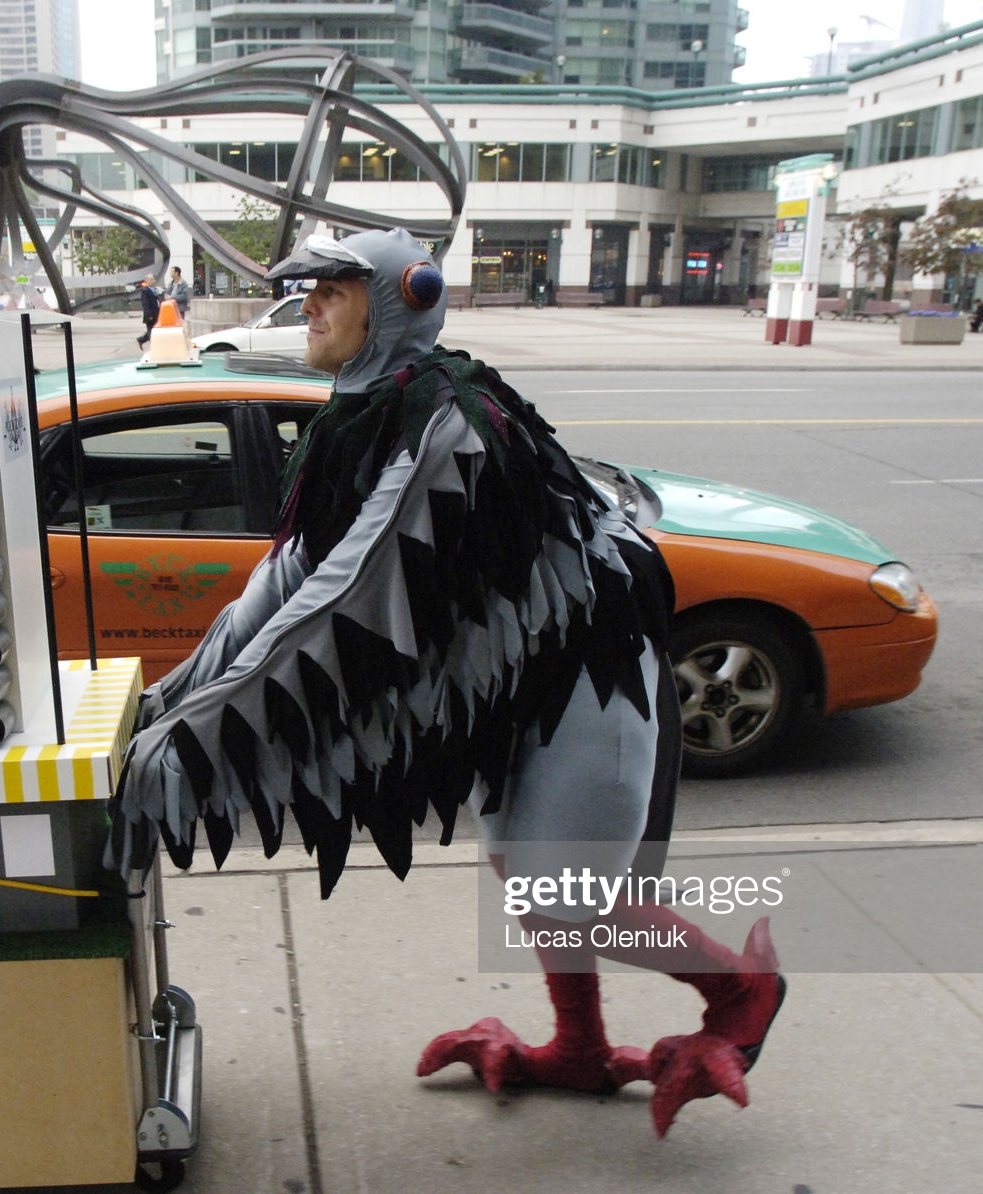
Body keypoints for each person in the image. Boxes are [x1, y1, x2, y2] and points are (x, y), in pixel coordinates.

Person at [107, 228, 786, 1139]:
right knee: (530, 867)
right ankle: (578, 1048)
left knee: (569, 887)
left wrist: (180, 751)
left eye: (334, 291)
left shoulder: (449, 419)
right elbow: (286, 577)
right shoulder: (359, 412)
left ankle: (742, 992)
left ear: (400, 301)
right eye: (312, 290)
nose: (309, 305)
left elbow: (354, 594)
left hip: (591, 665)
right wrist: (169, 702)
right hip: (528, 670)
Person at [135, 275, 161, 346]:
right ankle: (153, 346)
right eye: (151, 280)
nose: (153, 281)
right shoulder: (145, 291)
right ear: (147, 281)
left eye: (153, 279)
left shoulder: (154, 289)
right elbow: (145, 304)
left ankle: (141, 339)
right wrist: (149, 315)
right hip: (151, 315)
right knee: (151, 332)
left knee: (154, 330)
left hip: (157, 313)